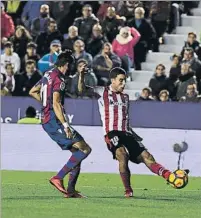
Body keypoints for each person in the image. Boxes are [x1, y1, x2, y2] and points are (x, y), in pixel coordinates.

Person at [77, 66, 184, 197]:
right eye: (121, 80)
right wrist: (81, 75)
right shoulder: (102, 91)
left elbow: (125, 120)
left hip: (127, 133)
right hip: (111, 133)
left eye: (125, 80)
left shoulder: (126, 98)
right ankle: (128, 190)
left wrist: (134, 135)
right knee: (122, 154)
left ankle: (170, 176)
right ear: (113, 80)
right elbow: (82, 90)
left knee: (147, 157)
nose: (123, 83)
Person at [29, 50, 91, 198]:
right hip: (54, 121)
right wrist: (65, 125)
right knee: (84, 149)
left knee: (77, 153)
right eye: (71, 65)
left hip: (48, 119)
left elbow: (33, 91)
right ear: (67, 65)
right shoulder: (60, 80)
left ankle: (70, 190)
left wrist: (46, 105)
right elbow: (56, 103)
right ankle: (58, 177)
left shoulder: (48, 74)